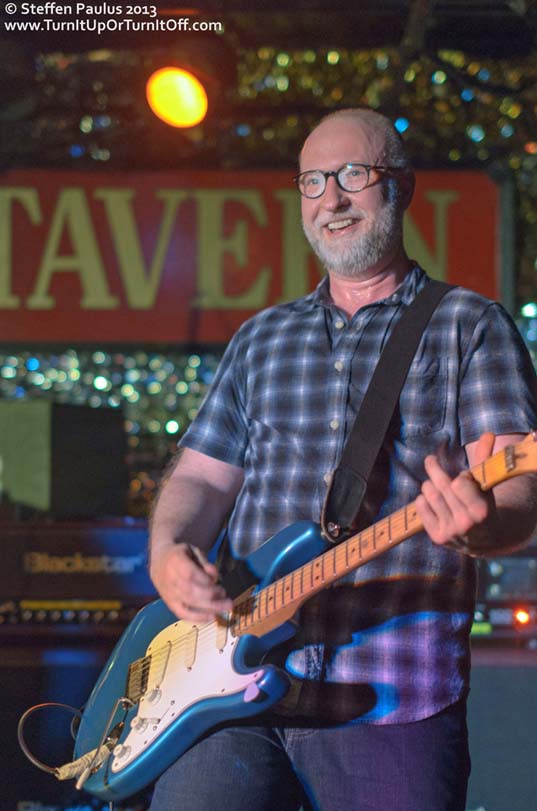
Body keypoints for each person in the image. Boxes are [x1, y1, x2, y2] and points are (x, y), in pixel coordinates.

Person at [148, 108, 537, 811]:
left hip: (390, 695)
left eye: (353, 175)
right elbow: (203, 475)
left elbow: (515, 483)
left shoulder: (470, 325)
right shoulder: (260, 337)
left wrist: (482, 527)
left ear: (401, 188)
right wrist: (168, 549)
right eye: (312, 181)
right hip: (226, 689)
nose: (330, 198)